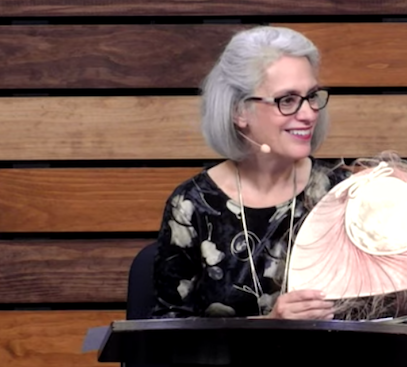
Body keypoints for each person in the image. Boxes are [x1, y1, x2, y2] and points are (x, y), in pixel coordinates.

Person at [150, 25, 353, 320]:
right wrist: (271, 326)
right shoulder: (192, 205)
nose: (308, 113)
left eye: (311, 96)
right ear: (239, 112)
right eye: (287, 100)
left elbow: (378, 313)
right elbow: (166, 334)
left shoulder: (343, 194)